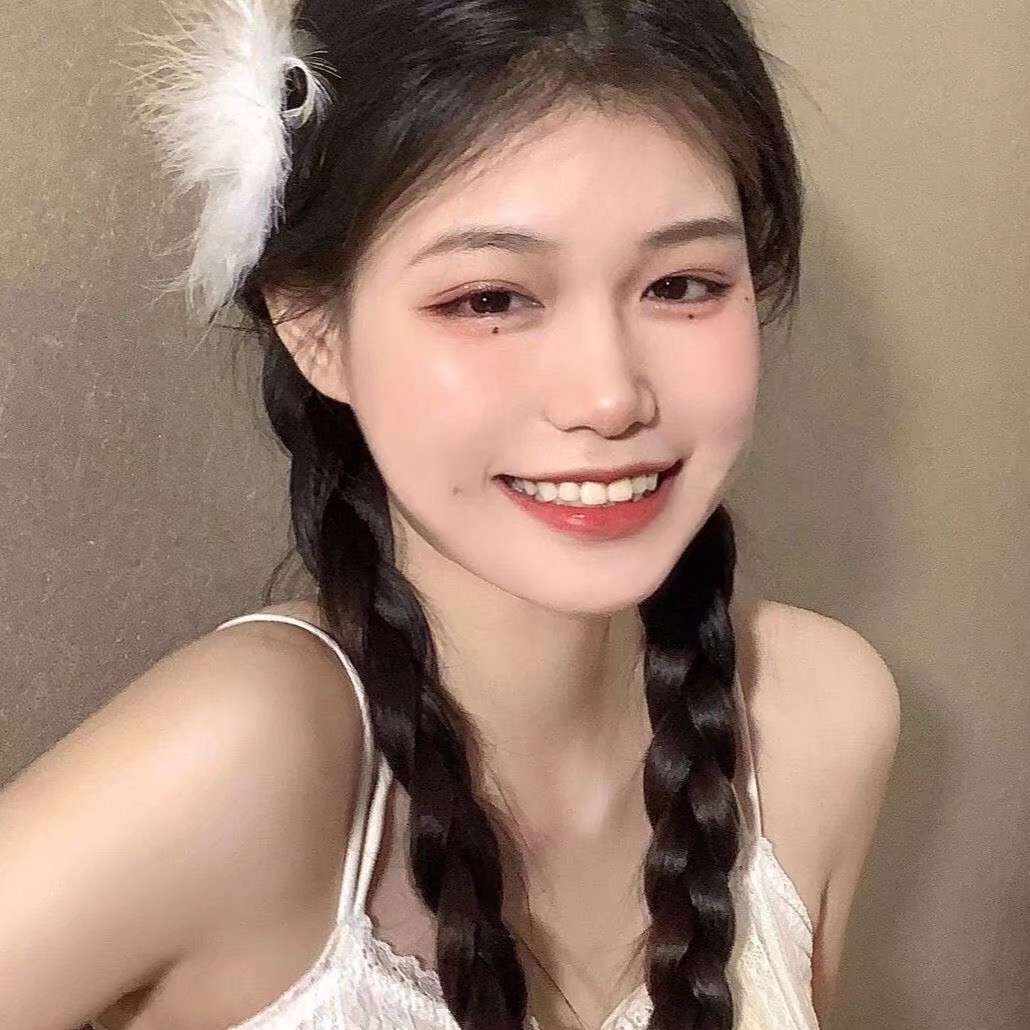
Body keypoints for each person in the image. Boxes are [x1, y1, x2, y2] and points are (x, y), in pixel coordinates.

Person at [0, 1, 901, 1028]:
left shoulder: (819, 721)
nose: (609, 397)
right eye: (489, 300)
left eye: (682, 284)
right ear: (313, 327)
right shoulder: (240, 761)